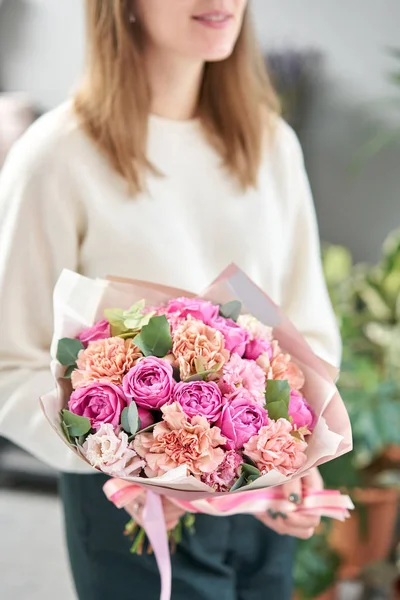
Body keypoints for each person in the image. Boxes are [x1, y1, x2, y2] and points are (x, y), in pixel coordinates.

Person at [0, 1, 341, 599]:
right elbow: (9, 365)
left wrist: (299, 464)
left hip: (264, 506)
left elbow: (308, 329)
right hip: (134, 511)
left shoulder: (271, 145)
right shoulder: (56, 157)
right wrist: (138, 468)